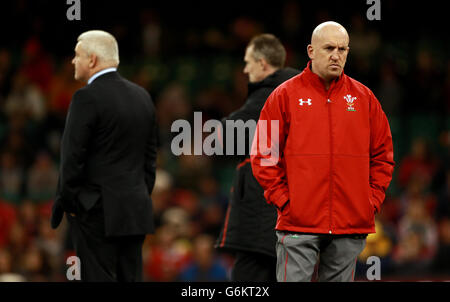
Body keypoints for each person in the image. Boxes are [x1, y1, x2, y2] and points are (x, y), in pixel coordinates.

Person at [250, 21, 395, 282]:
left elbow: (383, 156)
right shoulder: (284, 96)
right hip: (298, 222)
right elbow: (263, 154)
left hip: (350, 222)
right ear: (311, 51)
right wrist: (284, 200)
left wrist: (370, 202)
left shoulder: (365, 99)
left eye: (342, 49)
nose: (336, 55)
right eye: (329, 48)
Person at [50, 30, 157, 282]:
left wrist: (72, 204)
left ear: (93, 60)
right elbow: (150, 159)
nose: (72, 61)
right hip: (134, 210)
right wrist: (137, 194)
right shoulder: (142, 96)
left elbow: (71, 159)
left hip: (97, 212)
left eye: (77, 55)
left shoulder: (85, 97)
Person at [215, 34, 299, 281]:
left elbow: (226, 138)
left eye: (248, 62)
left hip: (262, 220)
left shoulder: (267, 95)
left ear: (263, 63)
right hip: (288, 216)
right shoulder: (301, 93)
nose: (244, 69)